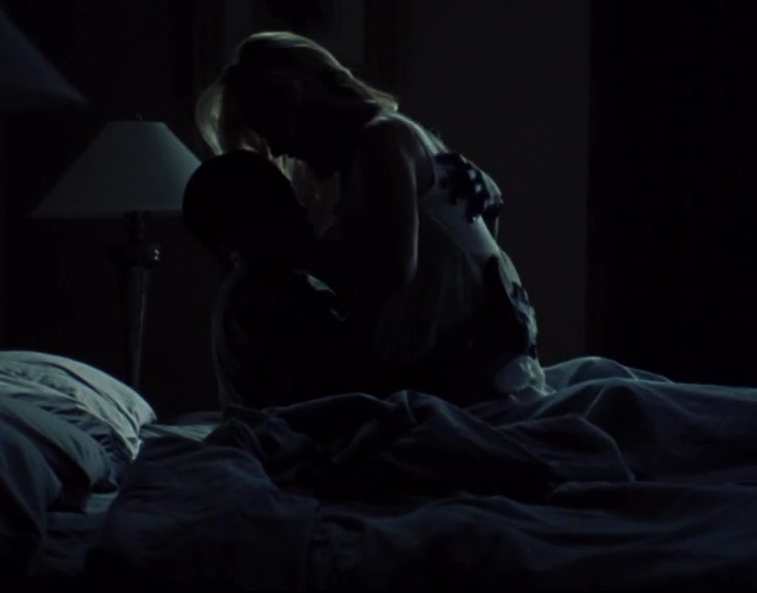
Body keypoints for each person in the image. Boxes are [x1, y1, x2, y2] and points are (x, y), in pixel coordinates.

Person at [195, 31, 544, 405]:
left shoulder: (382, 140)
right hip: (463, 369)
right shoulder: (390, 140)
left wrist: (293, 256)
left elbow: (392, 269)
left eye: (271, 126)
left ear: (298, 99)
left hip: (455, 381)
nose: (279, 148)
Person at [184, 149, 531, 409]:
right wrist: (484, 352)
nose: (300, 211)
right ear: (232, 241)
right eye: (278, 207)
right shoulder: (261, 302)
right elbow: (367, 391)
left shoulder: (273, 288)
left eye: (292, 198)